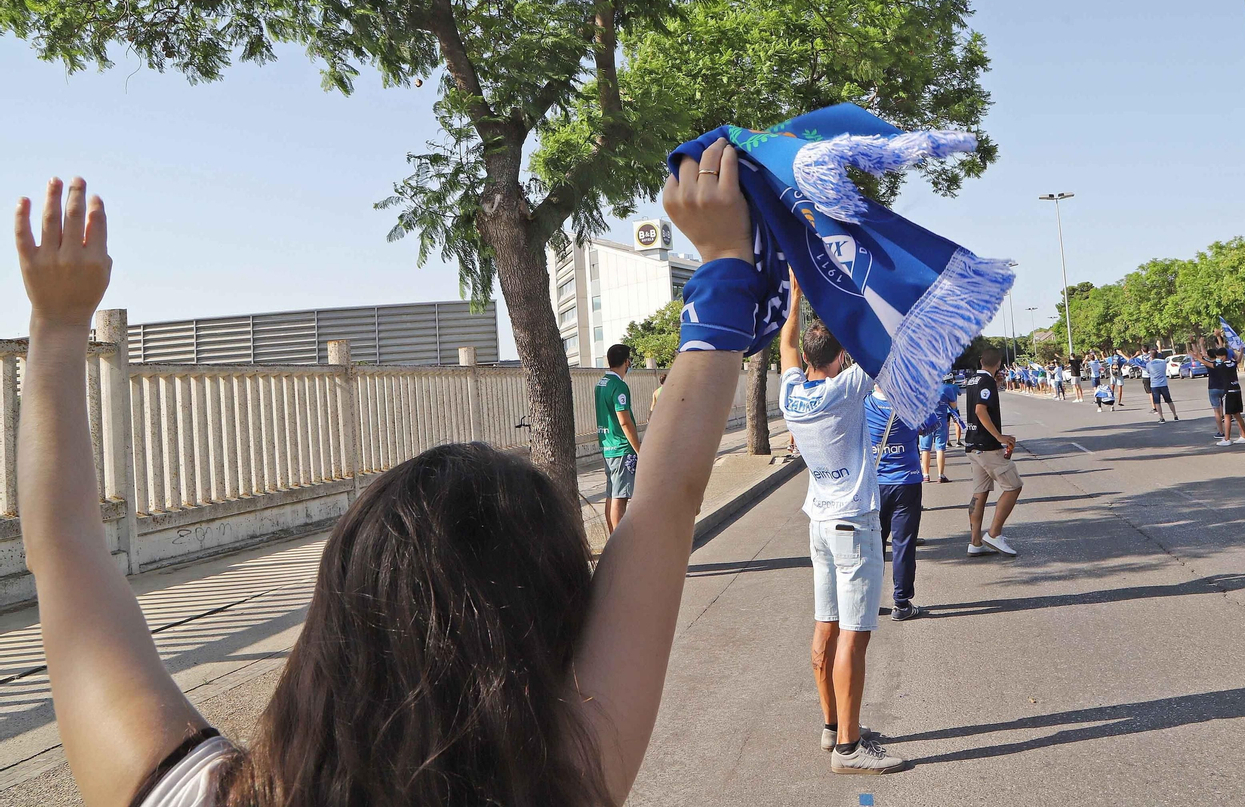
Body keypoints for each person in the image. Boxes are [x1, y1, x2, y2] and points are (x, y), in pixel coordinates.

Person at [14, 153, 758, 807]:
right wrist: (726, 260)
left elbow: (65, 545)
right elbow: (664, 503)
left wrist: (56, 323)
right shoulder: (567, 777)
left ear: (334, 611)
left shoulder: (185, 789)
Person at [779, 276, 907, 775]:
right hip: (853, 524)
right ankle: (849, 750)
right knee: (855, 635)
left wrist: (796, 297)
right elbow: (883, 339)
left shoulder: (791, 393)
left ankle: (833, 726)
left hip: (819, 523)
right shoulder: (847, 388)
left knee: (825, 625)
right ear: (839, 358)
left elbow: (787, 342)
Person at [867, 389, 928, 622]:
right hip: (906, 482)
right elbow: (927, 427)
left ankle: (869, 601)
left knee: (873, 545)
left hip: (875, 484)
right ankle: (901, 603)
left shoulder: (863, 403)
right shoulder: (912, 402)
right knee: (904, 544)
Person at [965, 347, 1023, 557]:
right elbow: (980, 410)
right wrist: (999, 437)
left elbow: (980, 403)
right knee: (1013, 486)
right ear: (998, 364)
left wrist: (995, 384)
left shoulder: (972, 380)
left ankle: (975, 542)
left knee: (979, 494)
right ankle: (994, 534)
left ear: (981, 361)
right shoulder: (986, 381)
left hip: (973, 445)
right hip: (987, 446)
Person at [596, 343, 643, 533]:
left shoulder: (601, 384)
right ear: (626, 361)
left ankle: (612, 536)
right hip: (621, 447)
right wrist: (639, 449)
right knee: (620, 497)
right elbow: (624, 421)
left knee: (611, 493)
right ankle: (619, 541)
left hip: (607, 446)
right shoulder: (619, 386)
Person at [1192, 338, 1245, 445]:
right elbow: (1238, 360)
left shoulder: (1221, 365)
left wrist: (1197, 357)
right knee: (1237, 414)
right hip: (1237, 389)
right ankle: (1244, 436)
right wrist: (1242, 351)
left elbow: (1207, 363)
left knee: (1227, 415)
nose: (1218, 358)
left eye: (1219, 357)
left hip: (1228, 391)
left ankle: (1227, 439)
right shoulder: (1232, 362)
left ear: (1223, 356)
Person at [919, 377, 961, 483]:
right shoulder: (946, 389)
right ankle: (940, 475)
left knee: (925, 449)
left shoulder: (921, 388)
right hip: (941, 420)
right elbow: (954, 406)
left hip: (926, 421)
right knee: (940, 448)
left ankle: (925, 475)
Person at [1137, 348, 1178, 421]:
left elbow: (1148, 372)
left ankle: (1161, 418)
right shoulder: (1163, 362)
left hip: (1154, 385)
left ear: (1151, 356)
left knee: (1157, 402)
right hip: (1163, 384)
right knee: (1169, 401)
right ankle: (1175, 415)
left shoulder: (1149, 364)